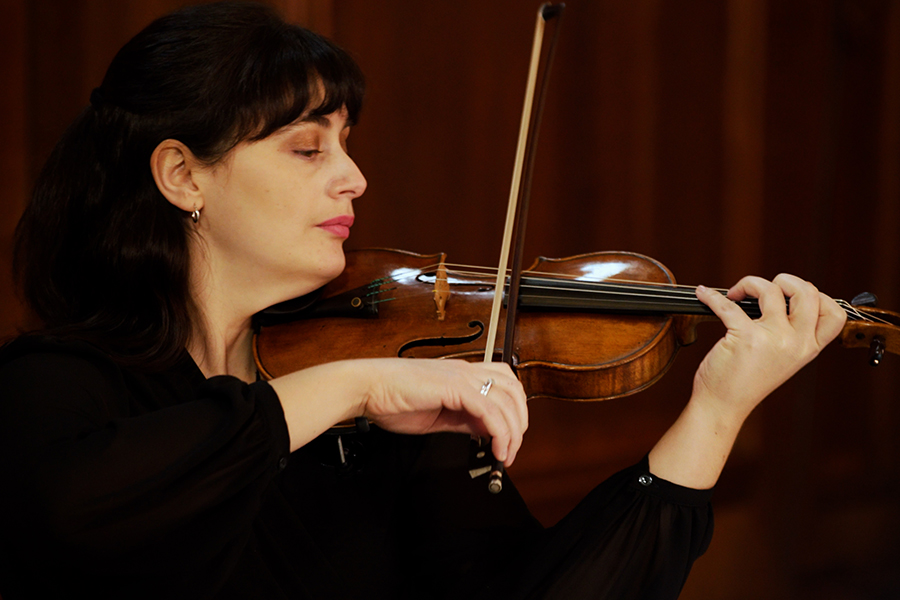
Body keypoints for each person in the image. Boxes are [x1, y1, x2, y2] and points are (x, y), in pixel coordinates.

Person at [0, 2, 847, 599]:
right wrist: (354, 388)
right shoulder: (58, 388)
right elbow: (73, 519)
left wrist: (717, 410)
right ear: (183, 175)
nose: (355, 177)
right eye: (306, 148)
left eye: (347, 143)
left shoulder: (390, 415)